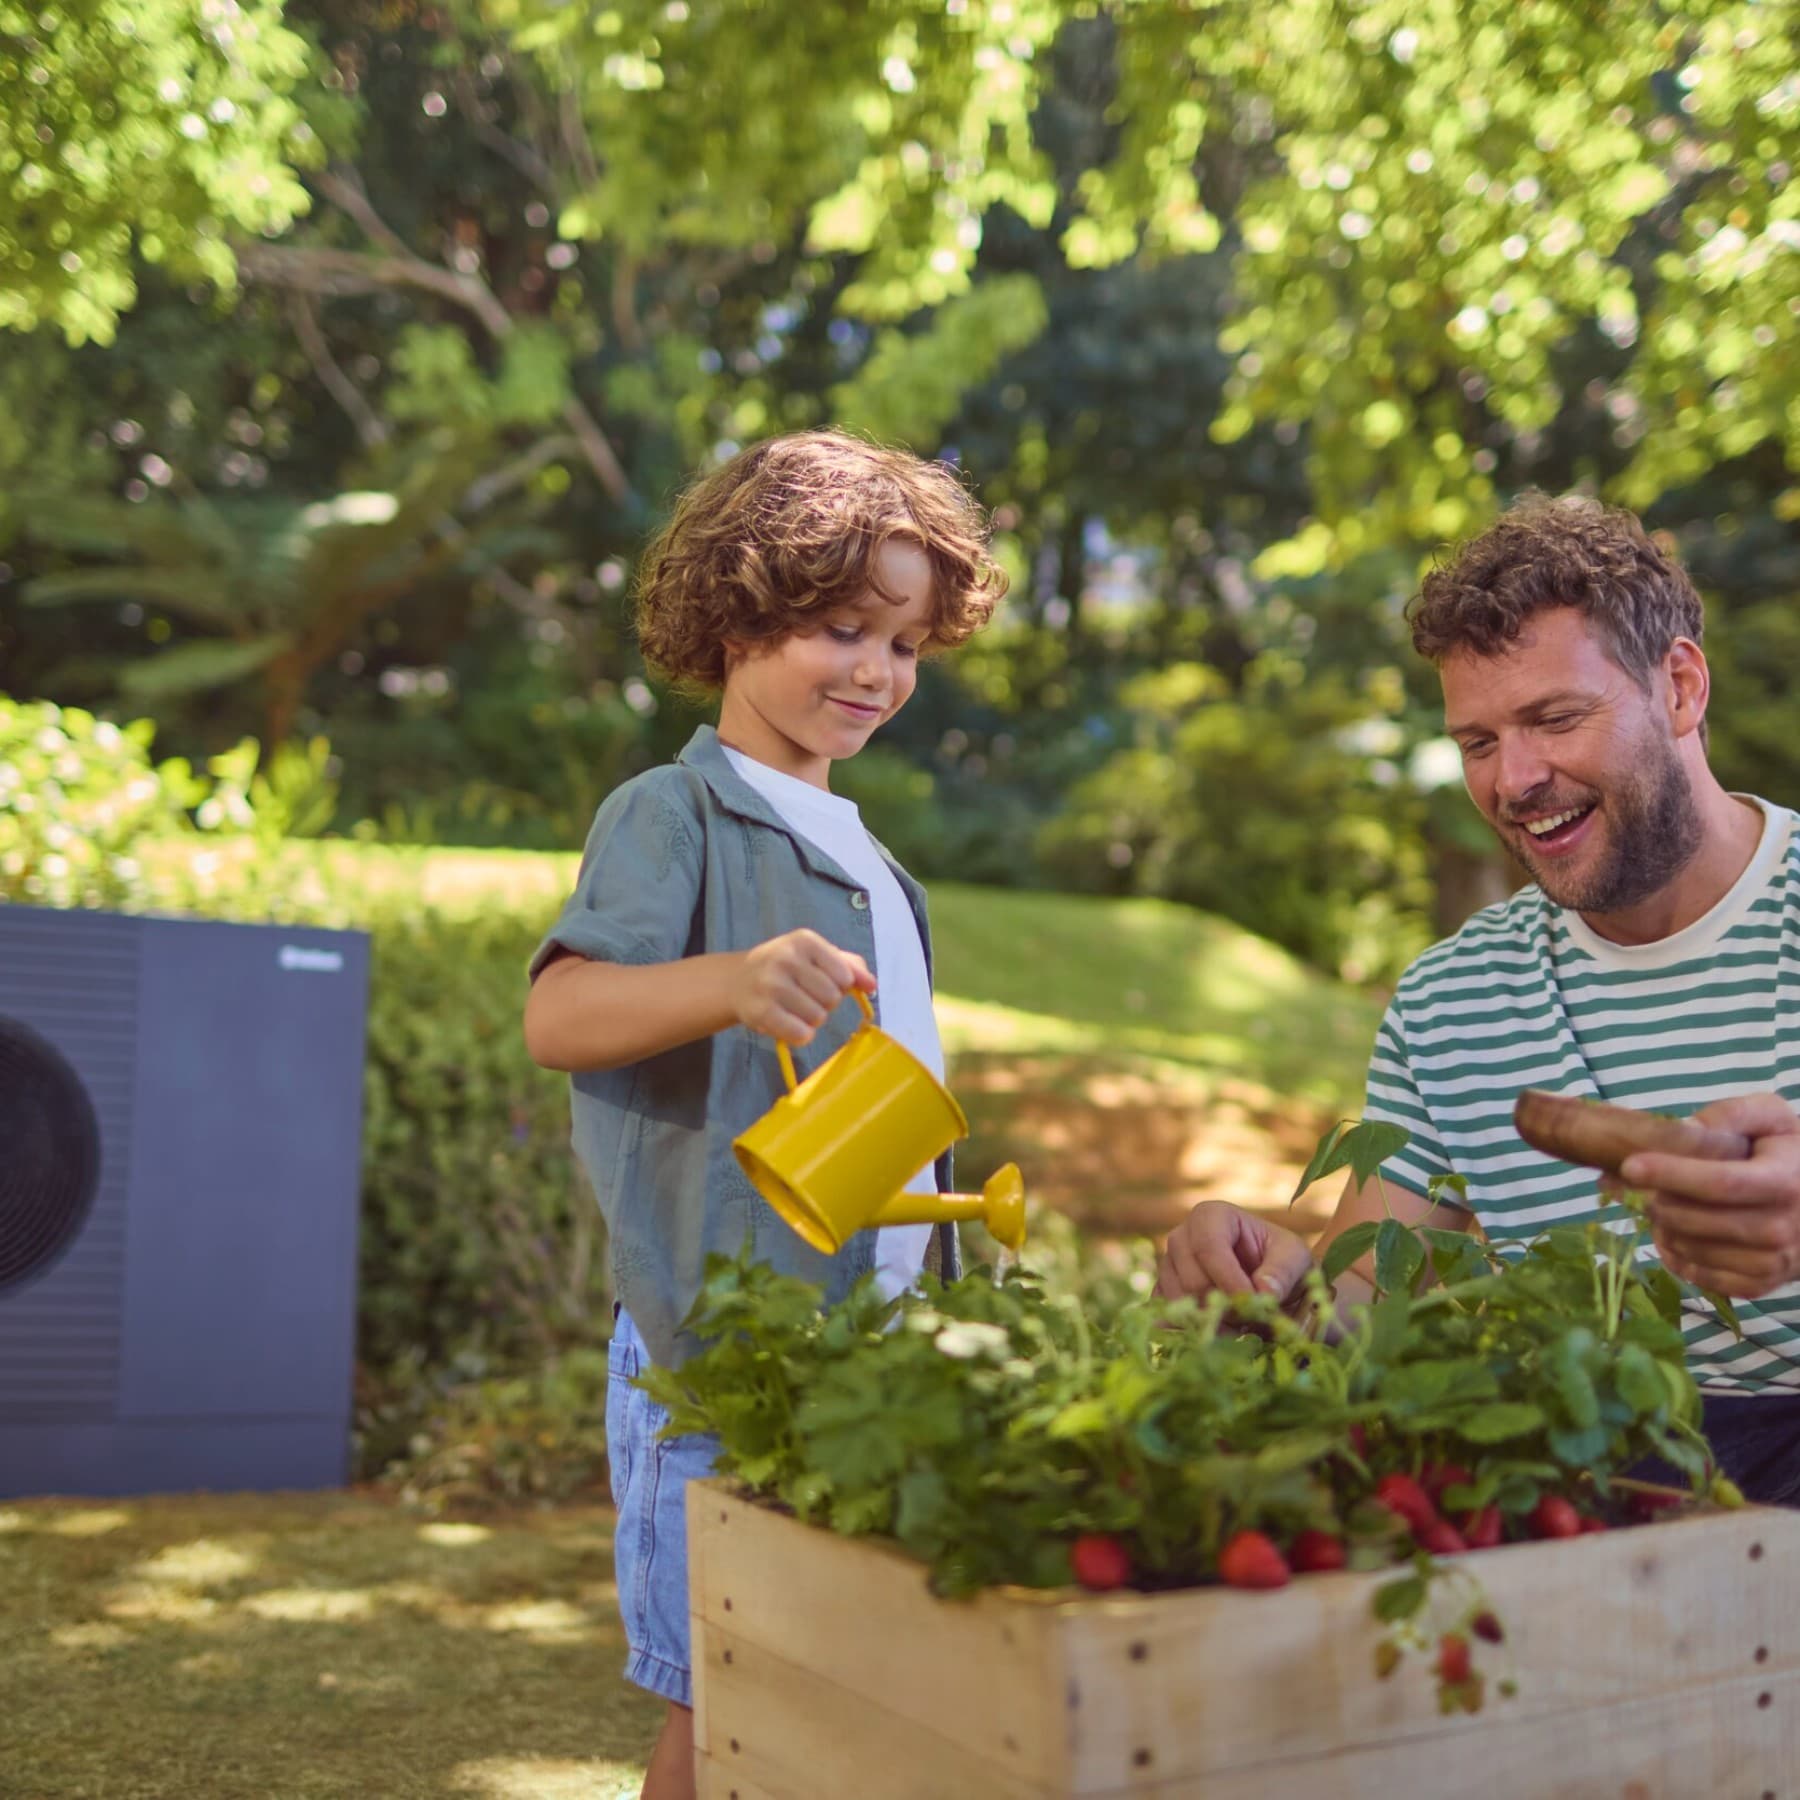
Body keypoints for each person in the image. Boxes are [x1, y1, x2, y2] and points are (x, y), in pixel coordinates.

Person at [523, 430, 1004, 1798]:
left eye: (905, 645)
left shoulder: (879, 869)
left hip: (871, 1353)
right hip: (725, 1355)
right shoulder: (672, 812)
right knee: (724, 1705)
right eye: (843, 629)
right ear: (738, 612)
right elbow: (559, 1017)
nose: (876, 672)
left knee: (848, 1698)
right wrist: (728, 984)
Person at [1155, 494, 1800, 1501]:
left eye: (1553, 718)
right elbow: (1367, 1302)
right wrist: (1269, 1290)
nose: (1516, 779)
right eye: (1478, 742)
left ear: (1678, 688)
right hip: (1590, 1508)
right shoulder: (1453, 999)